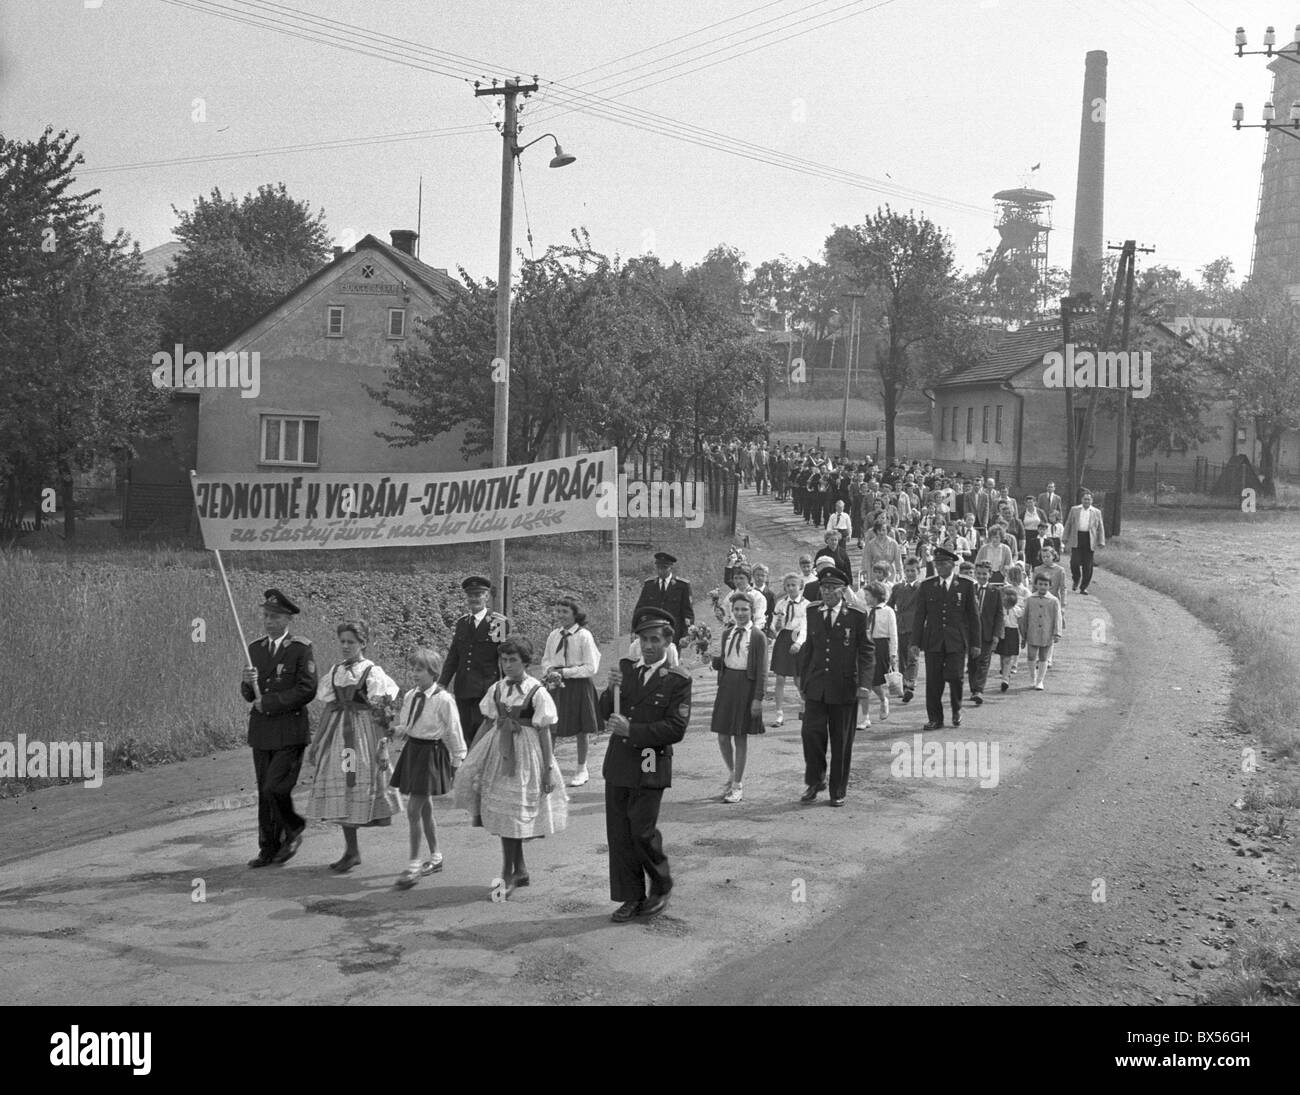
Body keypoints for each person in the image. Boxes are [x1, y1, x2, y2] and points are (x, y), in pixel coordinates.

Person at [455, 637, 568, 898]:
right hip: (499, 751)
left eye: (512, 660)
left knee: (514, 812)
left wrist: (548, 768)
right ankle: (519, 869)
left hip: (526, 755)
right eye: (503, 660)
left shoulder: (536, 691)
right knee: (506, 813)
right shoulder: (497, 688)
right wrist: (472, 755)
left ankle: (509, 872)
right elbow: (487, 723)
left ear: (525, 662)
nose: (507, 665)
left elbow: (544, 732)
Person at [599, 607, 690, 923]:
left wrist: (632, 731)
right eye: (643, 639)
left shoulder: (677, 680)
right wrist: (609, 689)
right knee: (620, 835)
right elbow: (605, 713)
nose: (649, 646)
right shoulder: (626, 669)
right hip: (619, 763)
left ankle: (661, 882)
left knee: (642, 831)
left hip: (651, 764)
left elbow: (675, 729)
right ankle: (631, 896)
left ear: (668, 642)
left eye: (655, 639)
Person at [305, 621, 402, 873]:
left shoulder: (372, 672)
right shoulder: (336, 671)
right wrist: (316, 743)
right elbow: (329, 708)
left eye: (351, 642)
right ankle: (351, 850)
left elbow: (382, 713)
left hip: (364, 733)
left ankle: (354, 849)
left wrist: (382, 746)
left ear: (363, 643)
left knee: (360, 783)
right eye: (343, 642)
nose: (346, 646)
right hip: (339, 733)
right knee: (341, 786)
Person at [241, 589, 317, 869]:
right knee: (264, 791)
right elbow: (249, 695)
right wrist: (248, 682)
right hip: (262, 731)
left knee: (276, 787)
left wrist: (270, 702)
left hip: (289, 731)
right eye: (266, 615)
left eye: (274, 617)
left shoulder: (300, 649)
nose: (268, 621)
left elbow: (307, 689)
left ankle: (294, 828)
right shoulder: (255, 649)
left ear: (287, 620)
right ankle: (268, 847)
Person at [389, 647, 468, 889]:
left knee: (413, 809)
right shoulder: (411, 695)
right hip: (413, 751)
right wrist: (392, 729)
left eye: (420, 669)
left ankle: (413, 864)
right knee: (424, 810)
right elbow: (406, 725)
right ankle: (436, 857)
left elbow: (453, 730)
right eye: (413, 668)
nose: (415, 673)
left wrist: (458, 760)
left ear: (433, 672)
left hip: (431, 754)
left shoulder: (444, 699)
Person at [796, 566, 874, 807]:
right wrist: (801, 678)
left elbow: (867, 652)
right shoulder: (812, 611)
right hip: (817, 686)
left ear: (843, 591)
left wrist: (864, 685)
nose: (827, 592)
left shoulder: (857, 615)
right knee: (811, 734)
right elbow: (809, 646)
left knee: (841, 741)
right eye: (824, 588)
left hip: (844, 688)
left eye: (832, 588)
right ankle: (814, 780)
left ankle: (837, 789)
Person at [912, 547, 980, 730]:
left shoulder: (966, 585)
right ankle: (935, 718)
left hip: (956, 640)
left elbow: (973, 617)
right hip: (933, 640)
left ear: (952, 565)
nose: (939, 568)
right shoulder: (927, 586)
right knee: (933, 681)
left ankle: (957, 709)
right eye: (937, 564)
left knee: (956, 676)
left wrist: (976, 643)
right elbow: (920, 616)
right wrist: (915, 642)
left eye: (943, 564)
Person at [710, 594, 766, 803]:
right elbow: (724, 661)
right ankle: (733, 773)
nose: (740, 613)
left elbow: (761, 669)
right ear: (732, 611)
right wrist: (710, 658)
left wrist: (757, 698)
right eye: (737, 609)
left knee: (740, 736)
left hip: (746, 687)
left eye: (745, 609)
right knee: (723, 735)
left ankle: (738, 785)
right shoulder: (727, 634)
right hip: (727, 686)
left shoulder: (757, 636)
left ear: (752, 611)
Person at [439, 576, 508, 746]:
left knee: (482, 730)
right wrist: (442, 682)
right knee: (464, 729)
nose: (474, 599)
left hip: (485, 686)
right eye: (471, 595)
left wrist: (508, 684)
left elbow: (504, 655)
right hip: (463, 686)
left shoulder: (497, 622)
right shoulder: (462, 623)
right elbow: (454, 656)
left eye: (479, 595)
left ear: (487, 596)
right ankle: (467, 766)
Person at [541, 596, 601, 788]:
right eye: (558, 611)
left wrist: (565, 672)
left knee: (581, 728)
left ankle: (581, 768)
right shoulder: (554, 635)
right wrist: (550, 671)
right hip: (556, 685)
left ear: (575, 614)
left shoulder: (584, 636)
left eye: (565, 612)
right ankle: (548, 766)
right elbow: (546, 659)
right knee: (551, 725)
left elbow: (591, 667)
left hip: (578, 685)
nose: (561, 615)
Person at [767, 572, 808, 727]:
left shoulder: (806, 604)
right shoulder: (781, 603)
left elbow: (805, 627)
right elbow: (774, 621)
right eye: (788, 585)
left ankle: (804, 705)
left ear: (800, 586)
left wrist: (798, 643)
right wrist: (774, 627)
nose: (790, 588)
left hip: (798, 639)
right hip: (783, 639)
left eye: (793, 585)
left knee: (798, 679)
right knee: (780, 678)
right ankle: (779, 714)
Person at [632, 551, 694, 650]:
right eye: (659, 568)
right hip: (651, 632)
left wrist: (686, 634)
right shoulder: (649, 585)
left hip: (673, 633)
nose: (661, 571)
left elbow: (687, 613)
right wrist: (635, 630)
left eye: (664, 568)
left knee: (671, 663)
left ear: (671, 568)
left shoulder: (682, 586)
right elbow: (640, 610)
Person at [860, 581, 898, 728]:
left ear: (876, 596)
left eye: (868, 595)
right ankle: (865, 717)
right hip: (866, 646)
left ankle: (883, 699)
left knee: (876, 683)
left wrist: (893, 654)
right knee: (864, 682)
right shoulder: (865, 610)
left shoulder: (888, 611)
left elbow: (893, 634)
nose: (866, 598)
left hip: (881, 646)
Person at [966, 560, 1005, 707]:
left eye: (985, 574)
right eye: (979, 574)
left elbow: (999, 614)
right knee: (972, 663)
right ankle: (973, 688)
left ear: (990, 575)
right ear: (975, 574)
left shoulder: (995, 592)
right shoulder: (970, 589)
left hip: (988, 633)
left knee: (984, 662)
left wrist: (997, 634)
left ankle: (978, 690)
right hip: (971, 633)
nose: (982, 576)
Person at [887, 557, 923, 704]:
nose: (909, 574)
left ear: (918, 571)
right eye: (907, 571)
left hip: (915, 626)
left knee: (912, 656)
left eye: (913, 571)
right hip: (899, 626)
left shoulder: (922, 588)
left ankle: (910, 684)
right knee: (901, 657)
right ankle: (904, 685)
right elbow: (889, 606)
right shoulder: (897, 588)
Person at [1022, 574, 1063, 690]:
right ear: (1035, 585)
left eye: (1045, 584)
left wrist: (1057, 632)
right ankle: (1032, 677)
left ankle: (1040, 680)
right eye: (1040, 584)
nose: (1043, 587)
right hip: (1032, 631)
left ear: (1050, 586)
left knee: (1043, 656)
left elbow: (1057, 617)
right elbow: (1025, 617)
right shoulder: (1030, 599)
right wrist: (1023, 632)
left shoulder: (1054, 601)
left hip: (1047, 632)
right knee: (1031, 655)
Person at [1063, 491, 1106, 594]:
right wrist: (1065, 537)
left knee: (1088, 565)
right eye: (1085, 499)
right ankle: (1076, 579)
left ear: (1092, 501)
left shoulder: (1096, 512)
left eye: (1089, 499)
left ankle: (1083, 587)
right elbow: (1068, 523)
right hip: (1077, 537)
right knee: (1074, 562)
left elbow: (1100, 527)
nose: (1087, 501)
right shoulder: (1074, 510)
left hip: (1089, 539)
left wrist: (1101, 541)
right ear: (1081, 500)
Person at [1032, 547, 1068, 669]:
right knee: (1039, 628)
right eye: (1043, 557)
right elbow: (1033, 587)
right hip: (1038, 601)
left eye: (1048, 556)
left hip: (1053, 602)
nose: (1046, 559)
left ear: (1053, 556)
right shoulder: (1037, 569)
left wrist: (1063, 605)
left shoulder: (1060, 570)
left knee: (1051, 630)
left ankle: (1048, 658)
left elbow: (1063, 589)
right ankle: (1039, 657)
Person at [996, 586, 1023, 692]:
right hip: (1002, 632)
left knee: (1008, 657)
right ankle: (1004, 672)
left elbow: (1021, 625)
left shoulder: (1017, 610)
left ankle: (1005, 679)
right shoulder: (999, 609)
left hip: (1012, 633)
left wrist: (1023, 636)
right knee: (1003, 656)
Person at [1021, 495, 1044, 569]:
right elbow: (1020, 525)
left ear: (1035, 503)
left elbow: (1045, 523)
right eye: (1028, 502)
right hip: (1027, 535)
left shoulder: (1040, 512)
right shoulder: (1023, 514)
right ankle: (1028, 573)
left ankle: (1037, 569)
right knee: (1028, 553)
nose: (1029, 504)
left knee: (1037, 553)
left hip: (1038, 534)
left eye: (1031, 502)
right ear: (1025, 503)